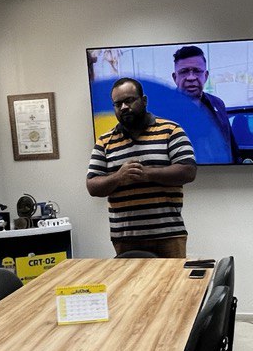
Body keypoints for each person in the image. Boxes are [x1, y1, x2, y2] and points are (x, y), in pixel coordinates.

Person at [86, 76, 197, 258]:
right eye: (118, 104)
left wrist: (148, 174)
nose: (124, 107)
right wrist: (118, 177)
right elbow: (92, 186)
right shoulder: (104, 141)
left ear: (144, 101)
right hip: (125, 238)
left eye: (129, 100)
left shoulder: (171, 130)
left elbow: (188, 171)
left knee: (173, 278)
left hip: (168, 235)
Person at [172, 45, 236, 163]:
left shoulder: (218, 104)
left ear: (205, 76)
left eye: (197, 71)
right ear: (175, 77)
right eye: (184, 72)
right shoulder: (161, 111)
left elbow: (231, 147)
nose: (191, 78)